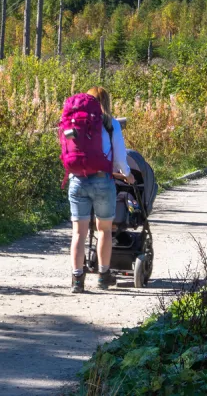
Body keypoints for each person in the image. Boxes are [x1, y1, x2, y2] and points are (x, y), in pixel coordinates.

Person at [64, 86, 131, 293]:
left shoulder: (75, 121)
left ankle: (77, 280)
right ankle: (103, 277)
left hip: (77, 180)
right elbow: (120, 158)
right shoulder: (111, 125)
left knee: (78, 234)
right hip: (103, 181)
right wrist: (127, 174)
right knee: (104, 230)